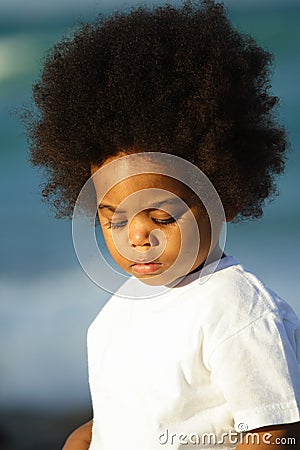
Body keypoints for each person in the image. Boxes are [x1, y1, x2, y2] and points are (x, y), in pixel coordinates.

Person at [25, 1, 300, 448]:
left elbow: (275, 432)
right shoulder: (121, 307)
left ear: (223, 198)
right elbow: (125, 418)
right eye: (114, 220)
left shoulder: (233, 306)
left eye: (162, 215)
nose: (137, 236)